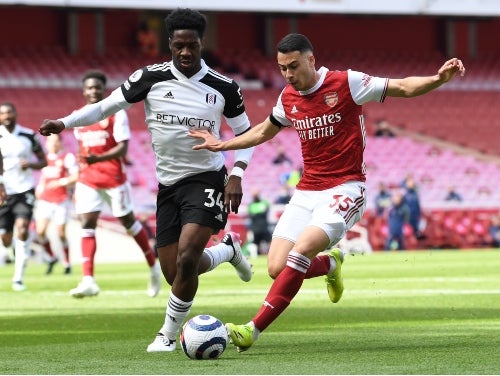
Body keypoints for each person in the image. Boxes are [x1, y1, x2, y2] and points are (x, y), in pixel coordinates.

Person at [189, 33, 465, 352]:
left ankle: (252, 329)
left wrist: (438, 79)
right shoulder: (288, 98)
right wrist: (224, 145)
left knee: (300, 251)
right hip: (308, 190)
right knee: (276, 268)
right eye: (282, 68)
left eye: (294, 66)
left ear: (311, 60)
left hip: (346, 187)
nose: (289, 74)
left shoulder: (348, 82)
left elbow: (402, 87)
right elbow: (265, 130)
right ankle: (331, 264)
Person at [39, 8, 255, 353]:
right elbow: (104, 107)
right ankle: (227, 250)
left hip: (208, 177)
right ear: (169, 43)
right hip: (168, 185)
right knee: (178, 272)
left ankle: (167, 335)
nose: (186, 52)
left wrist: (237, 175)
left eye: (193, 46)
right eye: (179, 46)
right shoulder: (149, 78)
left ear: (202, 44)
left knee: (186, 258)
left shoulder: (223, 87)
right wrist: (64, 123)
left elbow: (247, 134)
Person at [62, 70, 161, 298]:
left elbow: (123, 148)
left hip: (113, 178)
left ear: (104, 90)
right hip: (87, 178)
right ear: (84, 91)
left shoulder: (117, 114)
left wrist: (98, 159)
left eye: (97, 87)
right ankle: (88, 280)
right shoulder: (79, 117)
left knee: (128, 222)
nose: (93, 91)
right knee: (87, 222)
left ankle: (152, 266)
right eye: (89, 87)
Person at [0, 102, 48, 291]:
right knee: (5, 237)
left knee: (22, 229)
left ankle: (18, 278)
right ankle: (13, 248)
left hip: (24, 189)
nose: (6, 115)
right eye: (2, 113)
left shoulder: (28, 135)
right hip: (4, 191)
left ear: (15, 113)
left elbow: (43, 161)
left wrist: (30, 164)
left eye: (9, 112)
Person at [34, 133, 78, 275]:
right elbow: (44, 176)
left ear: (60, 143)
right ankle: (52, 257)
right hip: (45, 200)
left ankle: (67, 262)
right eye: (49, 141)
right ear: (46, 143)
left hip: (61, 199)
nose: (52, 143)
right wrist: (40, 187)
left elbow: (76, 176)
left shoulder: (67, 157)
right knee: (40, 231)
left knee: (61, 233)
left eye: (55, 141)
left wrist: (61, 182)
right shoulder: (44, 159)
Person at [247, 189, 272, 255]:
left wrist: (256, 213)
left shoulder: (264, 203)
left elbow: (264, 212)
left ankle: (272, 254)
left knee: (269, 242)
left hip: (264, 227)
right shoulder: (251, 205)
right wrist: (259, 213)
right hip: (255, 228)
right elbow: (251, 215)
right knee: (255, 244)